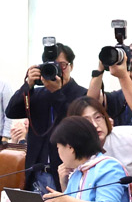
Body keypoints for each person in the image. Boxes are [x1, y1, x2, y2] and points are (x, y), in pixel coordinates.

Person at [6, 44, 86, 192]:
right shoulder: (37, 94)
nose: (57, 70)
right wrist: (28, 85)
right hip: (36, 171)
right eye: (51, 66)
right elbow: (11, 111)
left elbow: (72, 122)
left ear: (71, 66)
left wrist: (57, 93)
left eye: (61, 65)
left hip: (66, 172)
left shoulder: (82, 94)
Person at [70, 94, 132, 202]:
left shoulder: (128, 136)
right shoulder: (76, 151)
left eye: (98, 117)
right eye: (87, 121)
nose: (95, 125)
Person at [42, 115, 130, 202]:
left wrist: (67, 201)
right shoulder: (77, 172)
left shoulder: (109, 168)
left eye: (58, 148)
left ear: (70, 148)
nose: (58, 153)